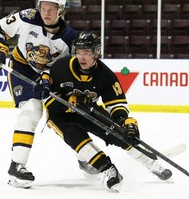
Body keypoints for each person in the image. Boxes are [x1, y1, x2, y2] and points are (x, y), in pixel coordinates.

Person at [44, 31, 172, 191]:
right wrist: (63, 103)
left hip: (89, 109)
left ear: (96, 53)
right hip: (60, 115)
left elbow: (116, 103)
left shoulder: (105, 75)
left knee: (120, 134)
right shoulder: (61, 67)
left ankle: (150, 163)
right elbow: (45, 92)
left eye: (86, 53)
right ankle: (108, 169)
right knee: (76, 137)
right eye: (79, 52)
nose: (81, 57)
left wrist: (123, 122)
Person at [0, 0, 77, 188]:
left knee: (67, 114)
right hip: (22, 68)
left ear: (61, 11)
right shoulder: (26, 17)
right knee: (31, 110)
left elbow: (69, 69)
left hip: (50, 76)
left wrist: (49, 79)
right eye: (43, 8)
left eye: (51, 9)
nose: (46, 13)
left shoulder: (69, 39)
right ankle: (16, 166)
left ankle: (86, 155)